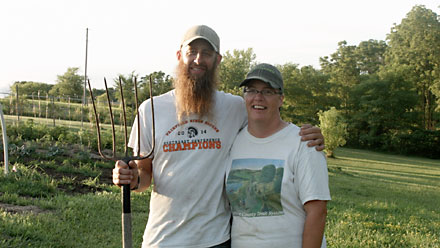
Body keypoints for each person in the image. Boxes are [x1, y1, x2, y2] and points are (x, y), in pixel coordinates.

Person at [112, 25, 325, 248]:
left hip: (216, 240)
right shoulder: (151, 110)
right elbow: (144, 173)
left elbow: (270, 121)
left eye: (207, 53)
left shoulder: (235, 108)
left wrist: (310, 135)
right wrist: (132, 178)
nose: (198, 59)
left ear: (217, 60)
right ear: (179, 55)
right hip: (163, 238)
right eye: (192, 51)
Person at [225, 63, 331, 248]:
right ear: (244, 96)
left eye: (267, 91)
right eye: (251, 90)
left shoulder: (304, 143)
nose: (258, 97)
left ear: (281, 99)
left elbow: (317, 211)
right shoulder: (233, 141)